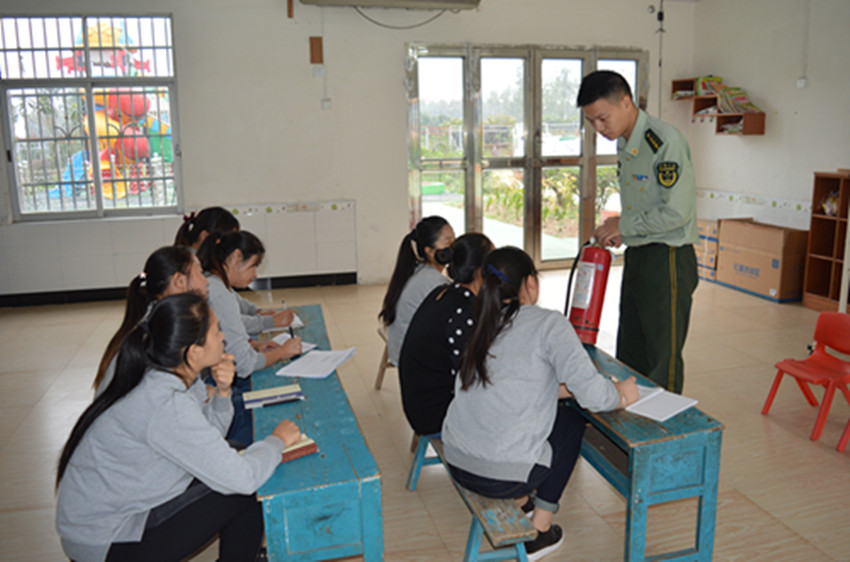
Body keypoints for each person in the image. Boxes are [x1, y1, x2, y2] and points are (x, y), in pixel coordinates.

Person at [56, 294, 303, 562]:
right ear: (194, 352)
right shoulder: (166, 403)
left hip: (117, 513)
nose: (223, 337)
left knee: (237, 451)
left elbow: (208, 438)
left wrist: (223, 393)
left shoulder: (162, 375)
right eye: (216, 331)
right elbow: (243, 479)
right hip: (107, 540)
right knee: (245, 489)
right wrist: (276, 441)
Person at [441, 247, 639, 561]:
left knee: (547, 415)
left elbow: (511, 385)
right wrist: (622, 394)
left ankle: (523, 501)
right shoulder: (549, 323)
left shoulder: (483, 321)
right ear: (531, 283)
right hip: (500, 475)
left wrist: (568, 390)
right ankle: (540, 531)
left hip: (457, 460)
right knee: (571, 423)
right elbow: (596, 398)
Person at [577, 70, 699, 394]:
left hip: (667, 259)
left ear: (626, 102)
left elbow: (677, 213)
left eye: (602, 118)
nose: (599, 128)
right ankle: (632, 408)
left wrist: (624, 225)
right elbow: (646, 206)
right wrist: (623, 232)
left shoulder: (664, 142)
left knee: (662, 356)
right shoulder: (626, 141)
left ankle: (665, 420)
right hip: (639, 252)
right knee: (631, 346)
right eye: (591, 121)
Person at [199, 230, 302, 444]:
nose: (255, 274)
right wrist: (283, 351)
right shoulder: (217, 289)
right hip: (207, 385)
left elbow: (235, 323)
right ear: (236, 257)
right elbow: (245, 364)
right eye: (254, 266)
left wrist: (253, 344)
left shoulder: (217, 282)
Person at [398, 233, 493, 436]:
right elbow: (473, 377)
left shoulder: (444, 292)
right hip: (437, 416)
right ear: (481, 271)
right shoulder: (463, 312)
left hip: (422, 407)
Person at [93, 246, 211, 398]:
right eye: (200, 273)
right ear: (179, 281)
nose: (206, 281)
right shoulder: (162, 333)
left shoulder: (157, 320)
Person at [174, 206, 294, 334]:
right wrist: (267, 321)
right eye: (225, 239)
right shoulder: (195, 269)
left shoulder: (208, 270)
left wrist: (254, 312)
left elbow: (229, 297)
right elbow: (229, 320)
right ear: (205, 237)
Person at [379, 216, 455, 366]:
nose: (454, 246)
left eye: (455, 239)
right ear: (430, 251)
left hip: (401, 347)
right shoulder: (434, 282)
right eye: (448, 241)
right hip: (411, 357)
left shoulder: (419, 270)